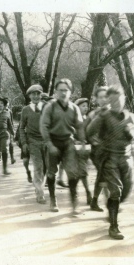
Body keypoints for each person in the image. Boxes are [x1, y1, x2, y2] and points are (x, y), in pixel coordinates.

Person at [86, 85, 134, 240]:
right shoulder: (104, 116)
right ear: (109, 101)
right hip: (110, 158)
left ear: (124, 98)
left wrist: (133, 133)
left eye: (119, 98)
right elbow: (89, 132)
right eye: (113, 100)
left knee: (127, 190)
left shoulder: (130, 116)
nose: (116, 102)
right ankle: (114, 227)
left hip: (127, 158)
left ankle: (112, 207)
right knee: (115, 191)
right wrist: (98, 143)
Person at [40, 78, 86, 214]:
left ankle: (74, 202)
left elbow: (79, 126)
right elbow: (44, 126)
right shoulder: (50, 107)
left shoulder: (74, 108)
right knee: (51, 172)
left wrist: (82, 141)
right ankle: (53, 200)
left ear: (70, 92)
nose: (63, 93)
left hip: (67, 142)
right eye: (60, 90)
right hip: (53, 141)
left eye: (65, 90)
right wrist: (49, 143)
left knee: (73, 172)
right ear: (55, 92)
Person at [19, 85, 47, 204]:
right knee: (38, 167)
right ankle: (40, 193)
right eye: (33, 94)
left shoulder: (46, 107)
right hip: (33, 142)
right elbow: (21, 128)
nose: (36, 96)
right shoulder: (26, 110)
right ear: (29, 96)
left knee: (46, 168)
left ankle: (39, 186)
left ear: (41, 95)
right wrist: (24, 142)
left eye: (38, 94)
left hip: (46, 141)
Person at [85, 86, 109, 212]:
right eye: (100, 97)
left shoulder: (115, 112)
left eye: (106, 96)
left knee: (105, 175)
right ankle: (108, 202)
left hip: (112, 150)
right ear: (96, 99)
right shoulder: (93, 114)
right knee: (104, 173)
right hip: (97, 151)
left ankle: (95, 201)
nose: (104, 99)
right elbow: (86, 131)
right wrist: (94, 141)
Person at [74, 98, 92, 205]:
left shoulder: (88, 119)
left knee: (80, 171)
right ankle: (88, 192)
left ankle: (74, 189)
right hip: (75, 149)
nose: (86, 108)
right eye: (83, 106)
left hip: (86, 150)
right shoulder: (73, 120)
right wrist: (75, 141)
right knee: (82, 170)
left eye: (87, 106)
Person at [4, 97, 16, 165]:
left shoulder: (10, 111)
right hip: (2, 130)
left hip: (9, 130)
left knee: (11, 144)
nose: (7, 104)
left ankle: (12, 158)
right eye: (5, 103)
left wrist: (13, 130)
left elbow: (11, 122)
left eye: (7, 102)